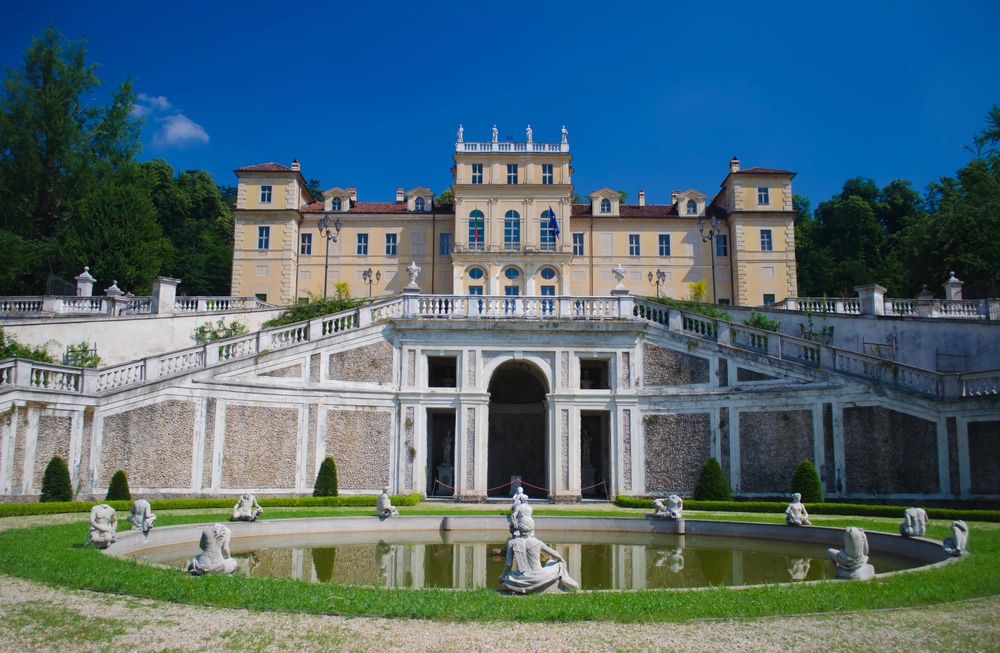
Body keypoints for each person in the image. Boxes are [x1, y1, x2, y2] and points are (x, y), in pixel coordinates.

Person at [499, 515, 579, 594]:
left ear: (519, 527)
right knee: (556, 564)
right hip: (539, 577)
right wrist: (562, 560)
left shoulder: (512, 543)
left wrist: (503, 575)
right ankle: (565, 579)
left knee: (507, 577)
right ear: (532, 528)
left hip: (521, 578)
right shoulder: (537, 543)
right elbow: (555, 553)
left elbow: (509, 564)